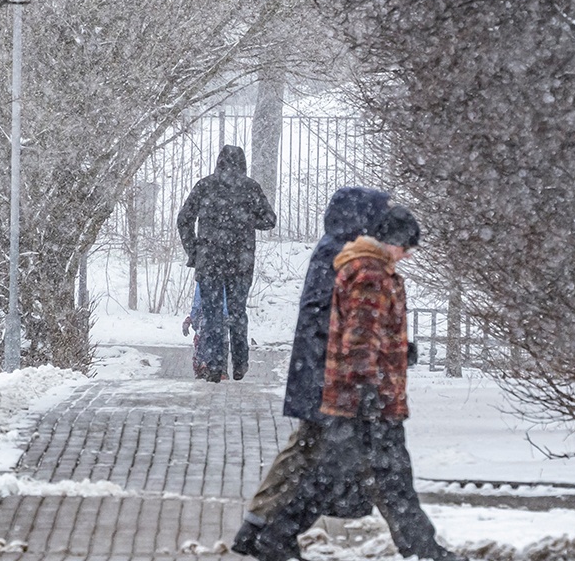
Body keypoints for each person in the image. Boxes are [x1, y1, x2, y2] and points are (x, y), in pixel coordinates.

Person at [246, 206, 462, 561]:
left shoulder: (367, 269)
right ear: (389, 241)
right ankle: (423, 550)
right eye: (405, 246)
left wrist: (397, 351)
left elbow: (365, 332)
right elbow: (359, 341)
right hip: (366, 401)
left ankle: (276, 535)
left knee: (347, 476)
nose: (407, 254)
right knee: (377, 478)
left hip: (361, 398)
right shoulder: (370, 274)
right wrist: (368, 391)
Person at [232, 187, 390, 559]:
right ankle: (272, 533)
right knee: (324, 453)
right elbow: (330, 314)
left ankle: (260, 529)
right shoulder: (341, 253)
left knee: (307, 449)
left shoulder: (341, 250)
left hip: (325, 370)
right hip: (329, 373)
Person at [177, 145, 276, 382]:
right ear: (242, 163)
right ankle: (240, 363)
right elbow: (270, 220)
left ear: (218, 161)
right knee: (237, 312)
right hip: (240, 262)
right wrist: (246, 220)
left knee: (212, 315)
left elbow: (184, 220)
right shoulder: (250, 188)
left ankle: (214, 365)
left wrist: (194, 251)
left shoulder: (205, 186)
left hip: (210, 261)